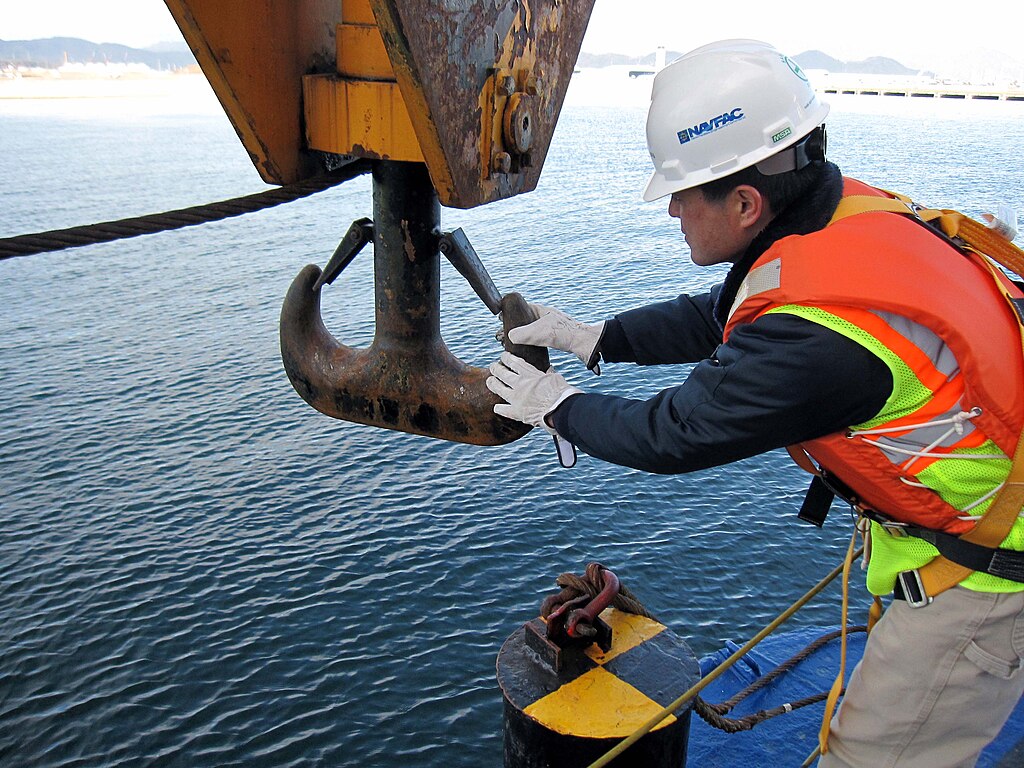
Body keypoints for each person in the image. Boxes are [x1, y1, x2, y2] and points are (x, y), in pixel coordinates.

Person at [486, 39, 1024, 767]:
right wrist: (598, 338)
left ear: (744, 202)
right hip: (963, 521)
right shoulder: (842, 219)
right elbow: (726, 309)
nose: (671, 207)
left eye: (682, 191)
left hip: (991, 569)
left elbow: (677, 432)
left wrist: (558, 407)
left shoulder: (819, 344)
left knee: (867, 754)